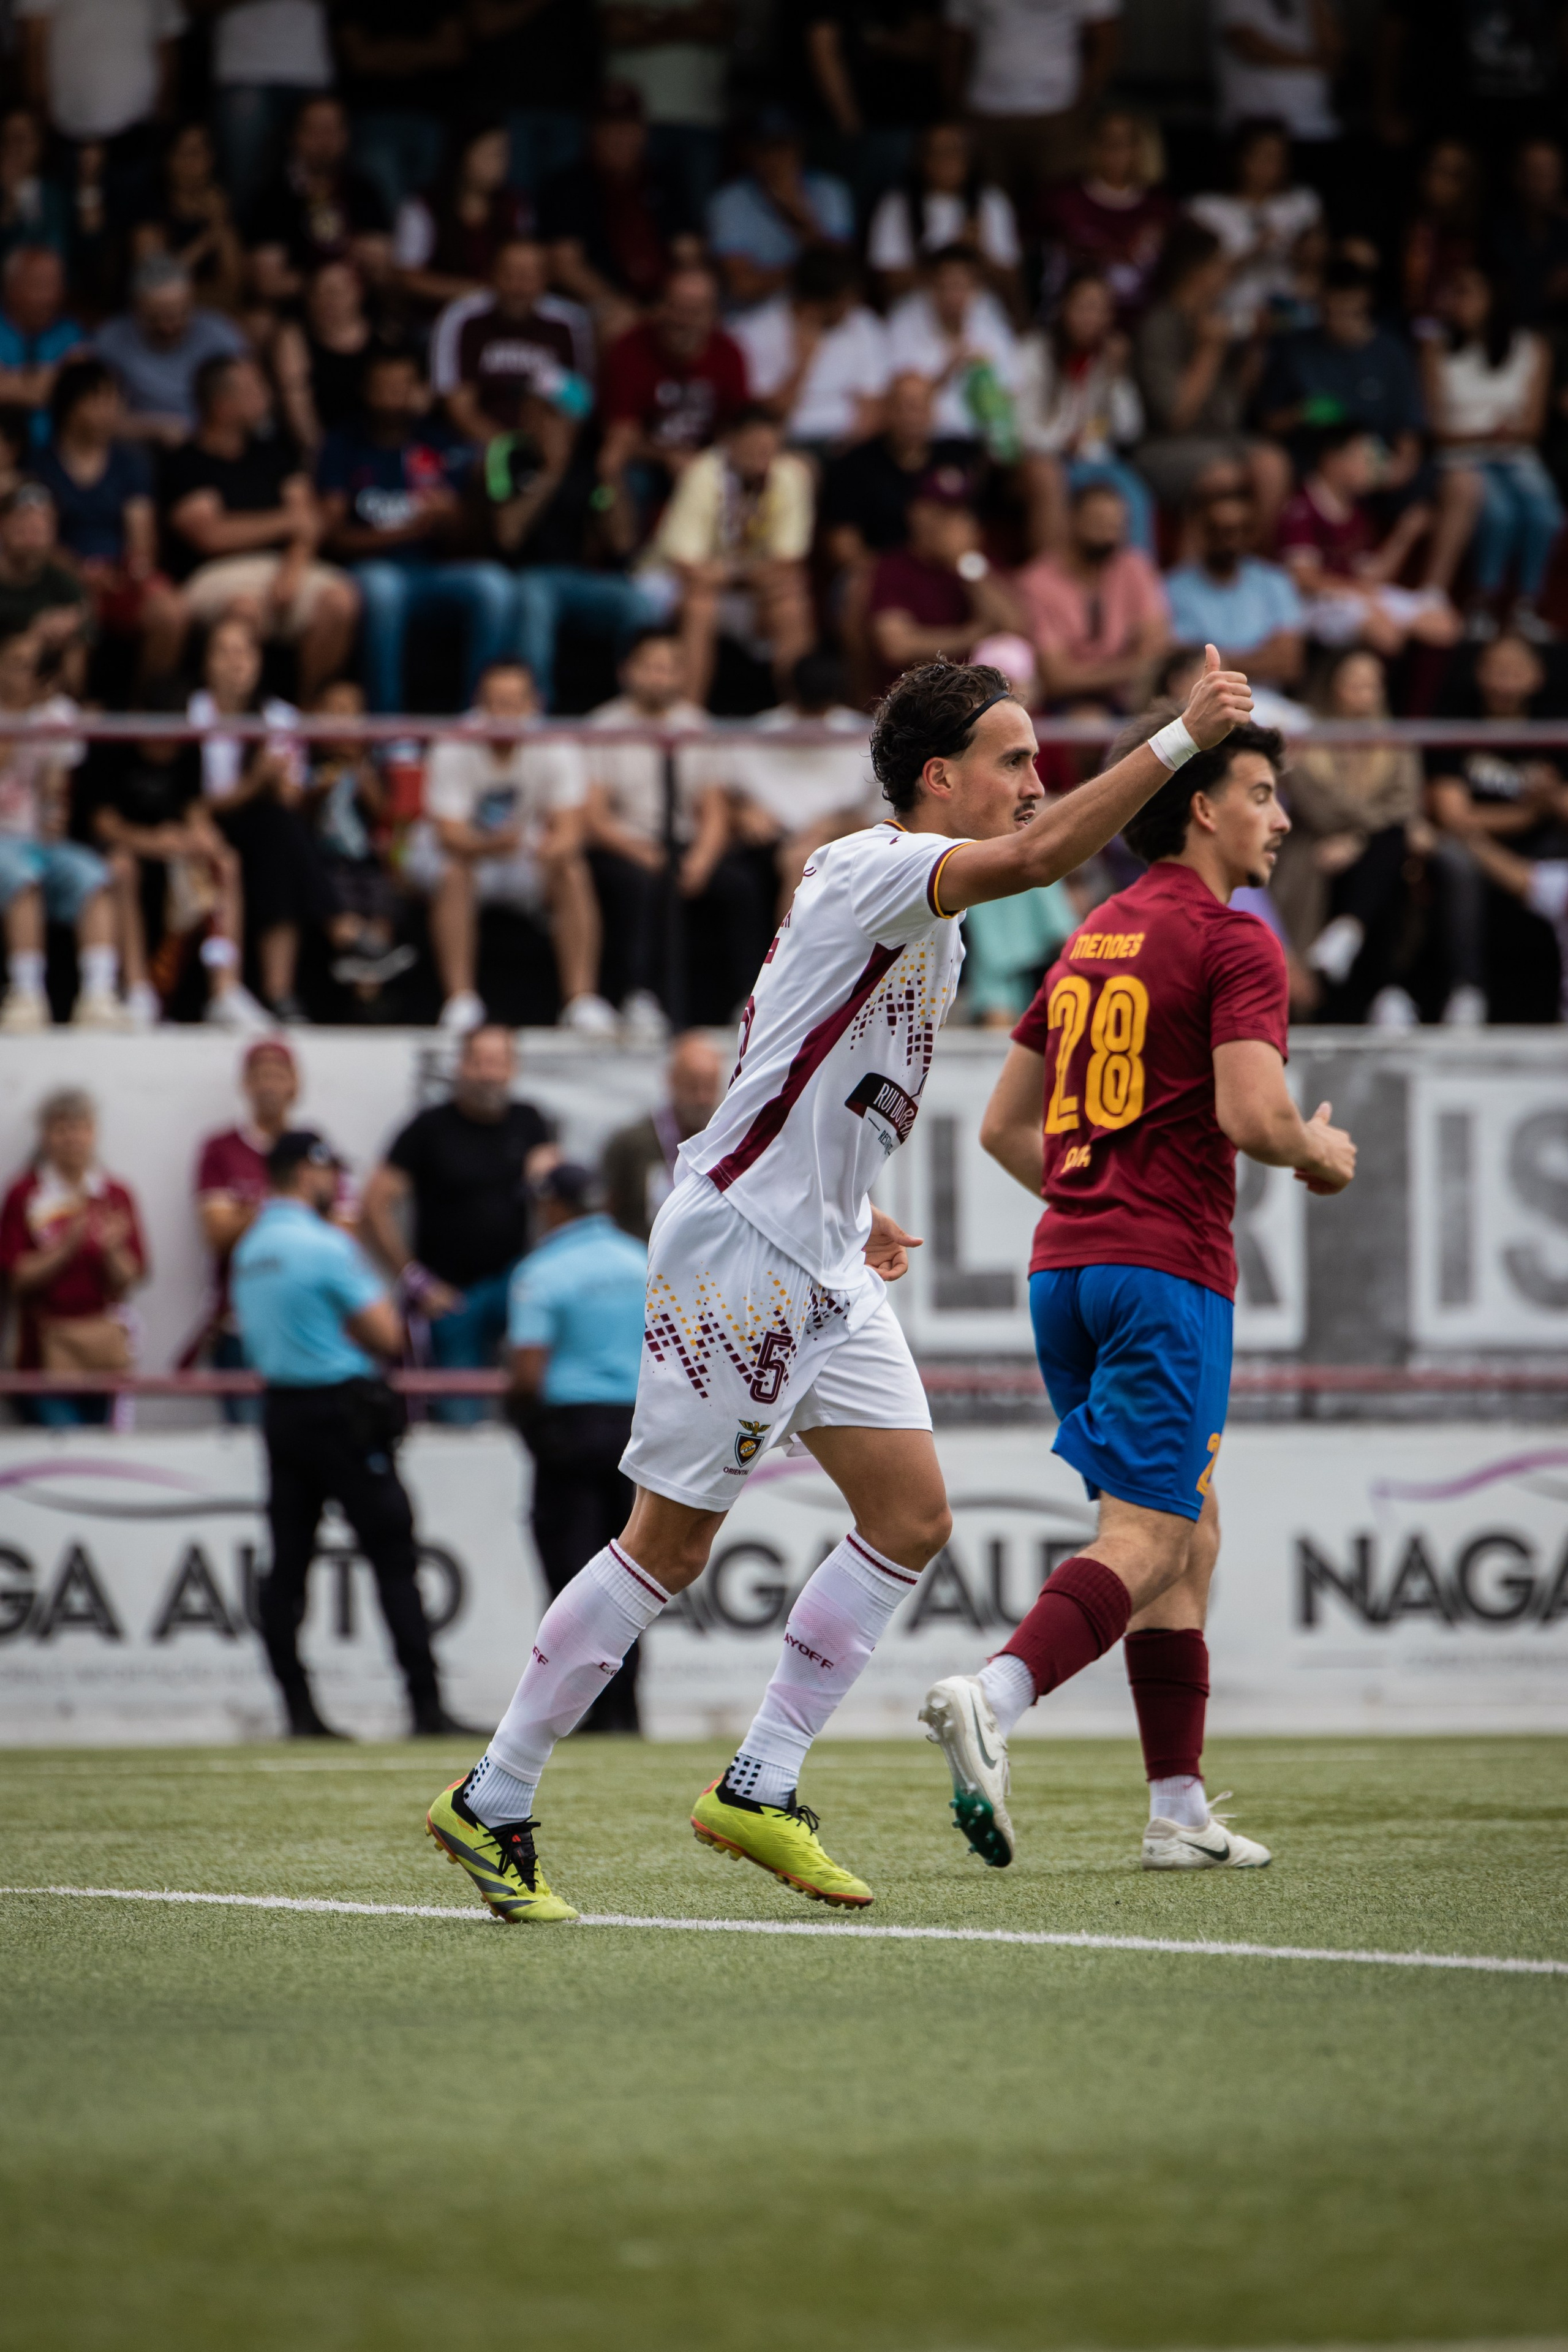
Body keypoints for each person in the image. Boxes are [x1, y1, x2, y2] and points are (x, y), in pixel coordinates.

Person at [423, 644, 1256, 1924]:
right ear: (938, 778)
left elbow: (796, 1062)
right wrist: (1179, 739)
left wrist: (853, 1202)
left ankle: (758, 1783)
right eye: (1013, 760)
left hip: (813, 1248)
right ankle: (494, 1797)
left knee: (912, 1516)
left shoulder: (926, 914)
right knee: (670, 1544)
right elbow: (1037, 862)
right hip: (743, 1248)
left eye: (1036, 760)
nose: (1033, 783)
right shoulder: (878, 868)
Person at [919, 706, 1356, 1877]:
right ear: (1204, 807)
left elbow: (1008, 1129)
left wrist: (1089, 1194)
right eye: (1262, 794)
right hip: (1166, 1269)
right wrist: (1320, 1155)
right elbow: (1254, 1117)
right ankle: (996, 1695)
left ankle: (1177, 1809)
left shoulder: (1091, 934)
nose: (1280, 817)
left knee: (1187, 1533)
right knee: (1152, 1530)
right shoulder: (1235, 938)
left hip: (1068, 1267)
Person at [232, 1128, 473, 1741]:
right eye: (327, 1175)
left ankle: (299, 1709)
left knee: (287, 1567)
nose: (334, 1186)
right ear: (305, 1174)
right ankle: (424, 1706)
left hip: (281, 1415)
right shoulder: (323, 1244)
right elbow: (386, 1334)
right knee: (393, 1555)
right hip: (341, 1414)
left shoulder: (250, 1246)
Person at [507, 1158, 650, 1733]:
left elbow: (527, 1373)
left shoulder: (541, 1271)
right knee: (634, 1577)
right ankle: (626, 1710)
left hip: (569, 1433)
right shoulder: (642, 1260)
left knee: (573, 1580)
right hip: (637, 1431)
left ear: (553, 1207)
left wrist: (528, 1425)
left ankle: (579, 1712)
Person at [402, 660, 609, 1036]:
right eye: (496, 703)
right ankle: (460, 1001)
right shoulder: (453, 743)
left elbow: (570, 828)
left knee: (573, 870)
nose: (504, 715)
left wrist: (551, 854)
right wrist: (495, 844)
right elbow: (450, 834)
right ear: (479, 703)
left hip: (520, 853)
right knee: (454, 872)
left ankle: (581, 1000)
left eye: (515, 703)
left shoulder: (556, 744)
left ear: (535, 704)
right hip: (465, 856)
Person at [360, 1025, 552, 1425]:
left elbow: (559, 1197)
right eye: (478, 1062)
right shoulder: (428, 1128)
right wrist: (413, 1278)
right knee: (461, 1417)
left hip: (513, 1284)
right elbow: (374, 1205)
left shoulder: (529, 1122)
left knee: (549, 1388)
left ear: (512, 1069)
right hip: (451, 1295)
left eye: (497, 1062)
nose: (487, 1073)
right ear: (461, 1066)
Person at [317, 346, 514, 714]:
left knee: (494, 585)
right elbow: (334, 538)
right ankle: (389, 726)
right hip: (374, 569)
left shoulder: (439, 444)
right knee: (383, 588)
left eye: (404, 386)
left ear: (419, 390)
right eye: (385, 387)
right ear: (366, 391)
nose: (395, 397)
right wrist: (410, 530)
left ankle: (478, 718)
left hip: (434, 572)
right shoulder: (343, 443)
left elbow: (467, 542)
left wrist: (456, 515)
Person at [160, 353, 360, 701]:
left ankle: (306, 723)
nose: (265, 396)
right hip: (216, 574)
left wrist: (293, 568)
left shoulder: (274, 453)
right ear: (222, 405)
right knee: (244, 609)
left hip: (285, 567)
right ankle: (235, 719)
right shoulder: (186, 461)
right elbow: (211, 535)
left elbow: (310, 521)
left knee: (340, 601)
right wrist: (287, 522)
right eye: (253, 389)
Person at [187, 611, 331, 1022]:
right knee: (265, 836)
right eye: (225, 652)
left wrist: (287, 787)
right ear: (207, 662)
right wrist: (254, 783)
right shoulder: (191, 712)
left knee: (280, 833)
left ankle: (279, 993)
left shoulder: (280, 717)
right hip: (204, 823)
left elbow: (291, 801)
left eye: (245, 653)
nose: (237, 663)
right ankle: (340, 926)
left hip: (262, 825)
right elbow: (196, 801)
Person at [582, 625, 723, 1035]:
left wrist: (702, 859)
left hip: (683, 842)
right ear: (628, 671)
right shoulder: (602, 726)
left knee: (741, 885)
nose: (659, 677)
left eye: (668, 668)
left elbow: (713, 808)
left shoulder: (697, 725)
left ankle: (751, 998)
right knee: (641, 884)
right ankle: (637, 994)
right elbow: (594, 816)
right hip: (622, 843)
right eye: (650, 667)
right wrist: (643, 854)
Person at [639, 405, 815, 708]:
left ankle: (800, 713)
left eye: (769, 448)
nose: (763, 456)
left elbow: (789, 564)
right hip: (670, 581)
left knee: (791, 605)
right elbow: (688, 566)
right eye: (755, 447)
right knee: (701, 605)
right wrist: (752, 575)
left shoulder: (791, 475)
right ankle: (688, 716)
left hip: (740, 587)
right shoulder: (703, 472)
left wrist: (737, 576)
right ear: (731, 443)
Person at [1422, 265, 1563, 639]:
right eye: (1453, 293)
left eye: (1467, 292)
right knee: (1498, 513)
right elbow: (1437, 431)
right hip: (1460, 460)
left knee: (1546, 515)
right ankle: (1482, 604)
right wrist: (1488, 433)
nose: (1457, 303)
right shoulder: (1436, 348)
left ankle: (1525, 606)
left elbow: (1532, 428)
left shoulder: (1532, 349)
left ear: (1494, 300)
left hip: (1517, 456)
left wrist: (1484, 434)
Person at [0, 1084, 147, 1427]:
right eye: (61, 1128)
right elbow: (17, 1279)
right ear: (45, 1136)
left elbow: (132, 1277)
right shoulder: (25, 1194)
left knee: (99, 1448)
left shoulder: (114, 1193)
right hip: (42, 1352)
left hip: (102, 1350)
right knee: (65, 1441)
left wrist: (111, 1250)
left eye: (79, 1127)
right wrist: (67, 1246)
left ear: (94, 1133)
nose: (71, 1138)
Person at [0, 628, 123, 1033]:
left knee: (94, 876)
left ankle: (99, 996)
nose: (25, 673)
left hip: (36, 840)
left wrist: (55, 806)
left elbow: (56, 791)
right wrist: (20, 719)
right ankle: (27, 994)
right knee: (23, 878)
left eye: (33, 667)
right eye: (16, 664)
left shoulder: (57, 714)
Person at [1133, 219, 1288, 525]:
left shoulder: (1221, 318)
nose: (1227, 274)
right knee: (1224, 476)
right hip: (1165, 447)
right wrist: (1209, 351)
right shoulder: (1159, 327)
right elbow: (1175, 417)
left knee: (1272, 464)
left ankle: (1255, 566)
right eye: (1220, 265)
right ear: (1197, 273)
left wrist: (1256, 346)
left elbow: (1237, 402)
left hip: (1221, 438)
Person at [1278, 425, 1460, 658]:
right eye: (1363, 457)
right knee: (1385, 632)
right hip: (1313, 604)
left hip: (1355, 594)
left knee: (1443, 624)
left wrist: (1405, 535)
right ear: (1333, 460)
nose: (1372, 466)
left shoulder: (1358, 510)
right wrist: (1361, 595)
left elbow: (1371, 577)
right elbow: (1304, 579)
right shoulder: (1303, 508)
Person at [194, 1037, 301, 1422]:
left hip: (304, 1326)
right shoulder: (220, 1149)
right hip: (240, 1325)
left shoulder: (314, 1148)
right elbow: (219, 1235)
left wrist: (253, 1211)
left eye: (279, 1074)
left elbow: (340, 1237)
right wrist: (291, 1208)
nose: (269, 1084)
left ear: (296, 1083)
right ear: (245, 1083)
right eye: (260, 1074)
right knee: (247, 1446)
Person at [536, 82, 698, 337]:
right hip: (601, 302)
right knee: (616, 325)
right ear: (591, 133)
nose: (619, 137)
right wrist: (623, 305)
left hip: (665, 301)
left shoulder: (665, 181)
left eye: (627, 127)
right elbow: (565, 265)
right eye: (609, 128)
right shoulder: (568, 185)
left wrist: (673, 303)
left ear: (643, 132)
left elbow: (688, 252)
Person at [1014, 268, 1150, 556]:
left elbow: (1128, 430)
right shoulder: (1033, 353)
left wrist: (1116, 378)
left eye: (1102, 311)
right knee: (1051, 480)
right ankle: (1054, 587)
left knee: (1136, 496)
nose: (1093, 319)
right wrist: (1059, 443)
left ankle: (1135, 586)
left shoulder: (1106, 362)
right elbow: (1019, 426)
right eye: (1085, 308)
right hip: (1045, 459)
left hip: (1094, 462)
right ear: (1064, 309)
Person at [596, 264, 749, 519]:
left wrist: (703, 463)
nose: (683, 320)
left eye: (694, 312)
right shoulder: (630, 349)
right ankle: (623, 556)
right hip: (646, 460)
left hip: (709, 460)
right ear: (659, 307)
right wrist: (669, 457)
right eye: (675, 307)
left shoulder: (728, 354)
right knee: (614, 466)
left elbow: (738, 428)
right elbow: (620, 435)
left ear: (713, 315)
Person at [865, 461, 1027, 694]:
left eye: (957, 512)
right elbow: (896, 646)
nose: (948, 523)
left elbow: (1015, 628)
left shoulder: (979, 565)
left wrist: (967, 565)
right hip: (917, 697)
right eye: (939, 511)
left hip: (978, 696)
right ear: (915, 513)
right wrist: (972, 636)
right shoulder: (894, 568)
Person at [942, 0, 1121, 209]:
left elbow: (1105, 35)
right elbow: (953, 38)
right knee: (988, 207)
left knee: (1060, 207)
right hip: (986, 110)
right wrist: (954, 104)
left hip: (1058, 111)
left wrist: (1086, 98)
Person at [1014, 478, 1169, 709]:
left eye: (1116, 527)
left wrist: (1088, 672)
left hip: (1134, 697)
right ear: (1071, 520)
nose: (1108, 536)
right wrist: (1134, 667)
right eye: (1097, 524)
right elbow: (1057, 679)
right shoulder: (1036, 583)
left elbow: (1156, 650)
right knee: (1089, 721)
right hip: (1066, 704)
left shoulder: (1135, 567)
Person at [431, 238, 593, 444]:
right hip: (481, 443)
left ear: (546, 279)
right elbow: (460, 408)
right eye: (510, 275)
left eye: (529, 276)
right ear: (492, 274)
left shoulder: (569, 322)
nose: (519, 287)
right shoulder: (464, 318)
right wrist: (507, 450)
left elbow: (580, 402)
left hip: (550, 443)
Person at [731, 246, 891, 456]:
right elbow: (766, 417)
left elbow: (872, 404)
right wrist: (803, 363)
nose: (850, 307)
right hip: (785, 448)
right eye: (843, 301)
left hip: (849, 448)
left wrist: (851, 451)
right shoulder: (756, 333)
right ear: (814, 303)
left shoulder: (863, 325)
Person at [246, 94, 392, 307]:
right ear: (294, 135)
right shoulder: (273, 197)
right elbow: (268, 283)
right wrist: (327, 279)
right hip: (296, 311)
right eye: (316, 130)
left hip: (358, 309)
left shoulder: (364, 190)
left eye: (334, 129)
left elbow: (384, 268)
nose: (326, 140)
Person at [865, 117, 1022, 312]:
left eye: (954, 151)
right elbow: (887, 284)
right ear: (920, 158)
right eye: (936, 152)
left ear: (970, 157)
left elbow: (1012, 285)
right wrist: (949, 253)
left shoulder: (991, 201)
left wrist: (978, 252)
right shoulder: (897, 204)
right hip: (915, 313)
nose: (946, 161)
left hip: (979, 312)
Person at [1164, 478, 1306, 692]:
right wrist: (1260, 658)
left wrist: (1215, 662)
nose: (1229, 540)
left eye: (1239, 530)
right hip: (1197, 701)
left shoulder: (1275, 582)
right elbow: (1174, 662)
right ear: (1200, 530)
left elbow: (1288, 664)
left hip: (1266, 703)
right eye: (1217, 530)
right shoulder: (1172, 588)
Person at [1035, 104, 1173, 322]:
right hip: (1071, 323)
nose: (1116, 149)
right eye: (1107, 140)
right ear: (1091, 144)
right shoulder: (1063, 199)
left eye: (1127, 141)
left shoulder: (1161, 208)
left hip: (1139, 325)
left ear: (1144, 147)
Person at [597, 0, 731, 225]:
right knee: (620, 212)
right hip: (633, 117)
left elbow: (718, 24)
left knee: (698, 222)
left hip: (699, 116)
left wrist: (649, 22)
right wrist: (686, 21)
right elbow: (616, 28)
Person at [91, 254, 246, 447]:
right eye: (155, 318)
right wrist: (154, 430)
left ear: (192, 302)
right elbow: (95, 419)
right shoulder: (109, 341)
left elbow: (251, 404)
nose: (168, 327)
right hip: (139, 447)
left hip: (211, 444)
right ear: (136, 308)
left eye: (178, 315)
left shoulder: (220, 336)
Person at [1186, 120, 1323, 339]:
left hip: (1290, 320)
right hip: (1229, 320)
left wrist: (1303, 256)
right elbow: (1192, 283)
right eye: (1264, 156)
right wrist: (1253, 251)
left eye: (1280, 157)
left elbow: (1317, 270)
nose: (1273, 166)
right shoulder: (1206, 208)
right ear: (1241, 158)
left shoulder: (1302, 203)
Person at [706, 116, 854, 314]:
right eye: (765, 149)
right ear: (749, 152)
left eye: (783, 147)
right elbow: (743, 286)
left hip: (820, 312)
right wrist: (808, 276)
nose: (775, 158)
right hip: (754, 315)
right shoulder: (729, 200)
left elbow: (838, 274)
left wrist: (797, 213)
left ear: (800, 148)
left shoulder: (829, 191)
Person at [886, 243, 1020, 452]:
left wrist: (986, 382)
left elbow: (1010, 392)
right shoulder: (905, 319)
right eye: (944, 286)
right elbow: (900, 398)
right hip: (926, 441)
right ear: (930, 286)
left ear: (975, 289)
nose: (952, 296)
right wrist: (948, 369)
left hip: (981, 443)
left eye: (960, 286)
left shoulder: (991, 319)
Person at [208, 0, 334, 223]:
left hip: (307, 69)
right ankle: (248, 252)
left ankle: (317, 250)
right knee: (244, 183)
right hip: (244, 71)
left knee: (318, 176)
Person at [393, 121, 530, 315]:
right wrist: (479, 293)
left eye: (506, 154)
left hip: (500, 321)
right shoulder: (423, 207)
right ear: (465, 155)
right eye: (494, 154)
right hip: (436, 320)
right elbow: (407, 277)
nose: (502, 164)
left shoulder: (515, 206)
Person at [600, 1028, 724, 1241]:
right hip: (642, 1261)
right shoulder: (630, 1144)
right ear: (671, 1080)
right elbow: (605, 1215)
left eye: (710, 1087)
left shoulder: (727, 1143)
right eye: (693, 1086)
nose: (703, 1098)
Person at [129, 121, 244, 314]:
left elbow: (234, 287)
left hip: (210, 313)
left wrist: (219, 222)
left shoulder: (218, 206)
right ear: (167, 159)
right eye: (188, 154)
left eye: (204, 153)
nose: (197, 163)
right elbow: (155, 284)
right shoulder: (148, 210)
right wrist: (208, 239)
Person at [271, 260, 382, 458]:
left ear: (359, 293)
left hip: (381, 446)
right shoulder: (294, 336)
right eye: (317, 292)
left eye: (335, 292)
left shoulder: (386, 333)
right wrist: (327, 459)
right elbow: (298, 407)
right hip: (324, 450)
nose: (326, 301)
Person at [1212, 0, 1340, 148]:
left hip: (1316, 127)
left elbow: (1334, 53)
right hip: (1255, 135)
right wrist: (1315, 63)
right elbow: (1248, 45)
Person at [0, 481, 91, 688]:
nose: (32, 531)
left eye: (42, 523)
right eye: (22, 520)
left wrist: (71, 624)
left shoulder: (63, 579)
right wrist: (34, 632)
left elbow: (84, 620)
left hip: (43, 698)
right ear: (3, 525)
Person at [0, 243, 81, 443]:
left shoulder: (71, 332)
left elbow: (81, 391)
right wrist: (56, 380)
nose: (50, 297)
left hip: (59, 458)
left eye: (57, 285)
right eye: (39, 286)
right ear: (11, 288)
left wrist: (12, 383)